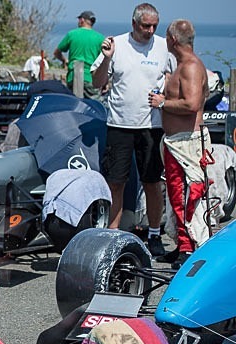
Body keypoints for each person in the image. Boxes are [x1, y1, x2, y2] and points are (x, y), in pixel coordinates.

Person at [91, 3, 175, 257]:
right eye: (145, 26)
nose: (150, 31)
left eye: (154, 26)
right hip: (120, 124)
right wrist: (106, 58)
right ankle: (114, 235)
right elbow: (97, 82)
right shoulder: (115, 44)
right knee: (116, 181)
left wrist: (165, 91)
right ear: (134, 24)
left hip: (152, 124)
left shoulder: (163, 46)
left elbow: (172, 75)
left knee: (151, 182)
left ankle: (154, 234)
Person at [150, 19, 210, 268]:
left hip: (187, 143)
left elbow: (192, 104)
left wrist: (162, 103)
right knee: (175, 195)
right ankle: (182, 245)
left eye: (165, 36)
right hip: (176, 143)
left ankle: (189, 248)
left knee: (187, 195)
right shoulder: (182, 65)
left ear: (173, 39)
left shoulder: (191, 67)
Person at [53, 11, 105, 98]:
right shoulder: (100, 38)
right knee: (93, 107)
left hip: (73, 77)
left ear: (82, 20)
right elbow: (104, 61)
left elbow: (57, 52)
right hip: (91, 78)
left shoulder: (72, 34)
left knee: (74, 106)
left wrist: (64, 60)